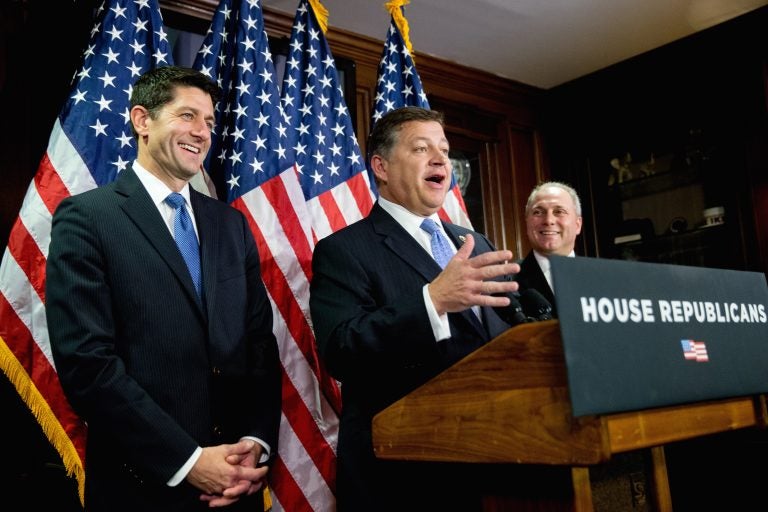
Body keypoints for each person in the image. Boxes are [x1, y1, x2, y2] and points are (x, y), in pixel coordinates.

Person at [45, 66, 282, 511]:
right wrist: (188, 460)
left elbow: (259, 347)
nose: (202, 132)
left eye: (209, 122)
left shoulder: (230, 225)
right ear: (142, 120)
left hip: (236, 486)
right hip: (142, 486)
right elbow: (87, 364)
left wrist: (255, 441)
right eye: (187, 116)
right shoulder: (87, 218)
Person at [309, 106, 523, 511]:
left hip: (497, 459)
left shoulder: (475, 242)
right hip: (403, 477)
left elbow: (509, 331)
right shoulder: (344, 250)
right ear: (382, 167)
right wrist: (433, 301)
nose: (441, 158)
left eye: (443, 148)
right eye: (422, 148)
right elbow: (342, 349)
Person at [515, 181, 583, 318]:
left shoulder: (604, 279)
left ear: (578, 225)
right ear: (527, 223)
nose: (548, 220)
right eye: (538, 212)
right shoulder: (508, 283)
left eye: (559, 211)